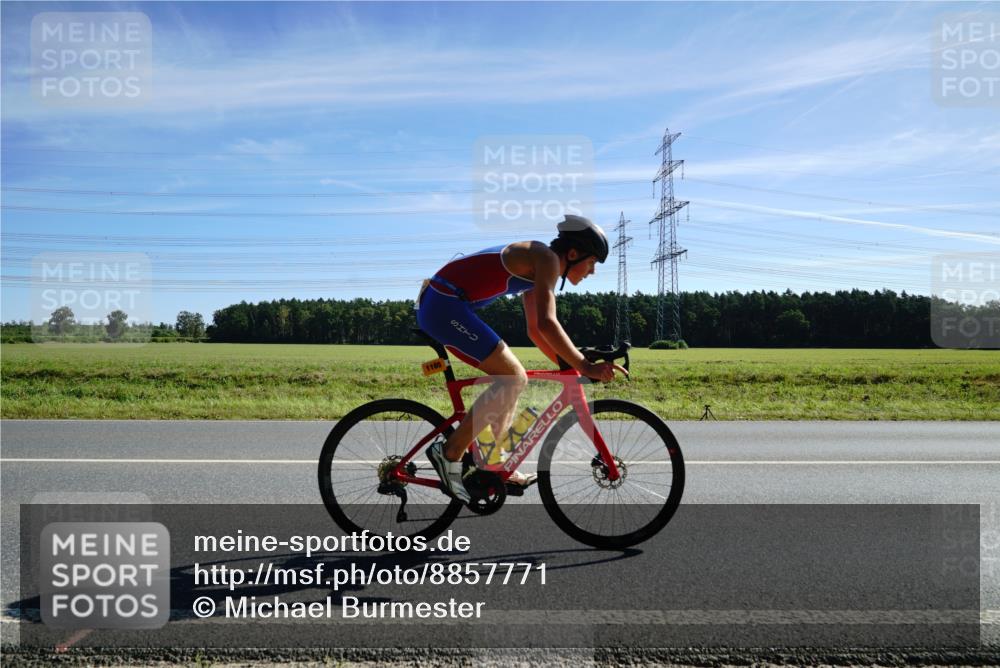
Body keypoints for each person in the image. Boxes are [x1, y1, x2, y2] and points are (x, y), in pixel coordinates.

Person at [416, 215, 628, 502]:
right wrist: (585, 365)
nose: (592, 272)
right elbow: (548, 323)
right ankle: (449, 451)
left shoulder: (539, 265)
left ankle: (493, 465)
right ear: (573, 254)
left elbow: (535, 330)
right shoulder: (547, 259)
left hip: (444, 303)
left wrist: (570, 365)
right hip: (444, 305)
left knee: (513, 380)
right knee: (513, 379)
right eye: (592, 263)